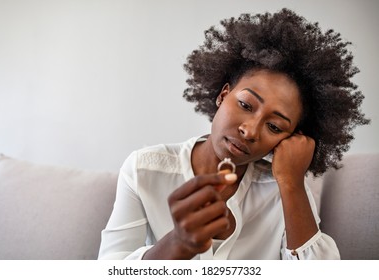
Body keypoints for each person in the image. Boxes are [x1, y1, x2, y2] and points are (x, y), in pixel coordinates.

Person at [98, 8, 369, 260]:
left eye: (274, 127)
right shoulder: (144, 170)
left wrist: (291, 184)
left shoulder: (285, 187)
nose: (249, 131)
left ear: (289, 139)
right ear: (223, 95)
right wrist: (177, 244)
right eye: (245, 105)